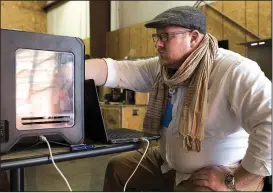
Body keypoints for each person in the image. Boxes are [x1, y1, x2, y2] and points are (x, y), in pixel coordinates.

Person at [85, 6, 271, 191]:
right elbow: (117, 71)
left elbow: (269, 122)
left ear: (194, 37)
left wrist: (236, 179)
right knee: (118, 168)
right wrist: (69, 68)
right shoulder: (164, 69)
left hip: (220, 171)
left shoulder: (234, 70)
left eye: (165, 36)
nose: (158, 44)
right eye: (157, 37)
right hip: (169, 163)